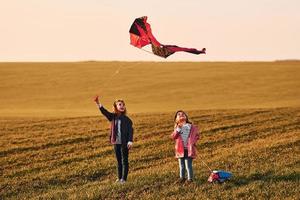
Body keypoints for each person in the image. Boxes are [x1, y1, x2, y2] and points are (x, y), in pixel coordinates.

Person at [94, 96, 133, 184]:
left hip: (124, 143)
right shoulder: (112, 117)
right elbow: (105, 112)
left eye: (123, 105)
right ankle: (119, 178)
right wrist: (98, 103)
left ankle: (124, 179)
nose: (122, 106)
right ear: (115, 106)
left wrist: (130, 141)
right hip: (116, 142)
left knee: (125, 160)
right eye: (120, 104)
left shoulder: (127, 120)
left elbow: (131, 131)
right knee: (118, 161)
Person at [171, 110, 199, 183]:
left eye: (183, 114)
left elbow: (196, 136)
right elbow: (173, 137)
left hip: (188, 149)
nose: (181, 115)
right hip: (180, 150)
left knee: (188, 165)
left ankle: (190, 179)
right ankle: (182, 178)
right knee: (181, 165)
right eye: (179, 115)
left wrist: (193, 142)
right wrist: (178, 128)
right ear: (176, 120)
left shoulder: (191, 127)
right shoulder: (177, 128)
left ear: (186, 117)